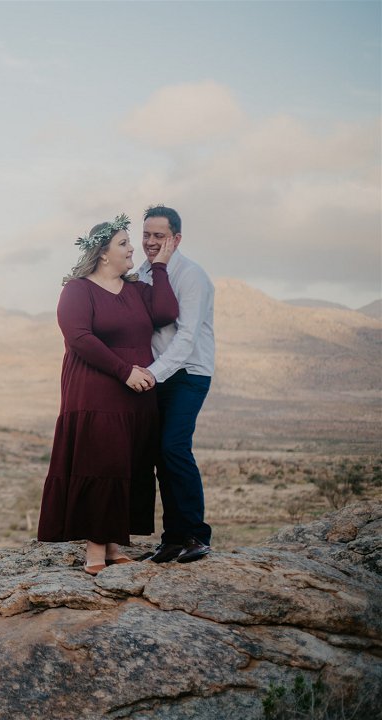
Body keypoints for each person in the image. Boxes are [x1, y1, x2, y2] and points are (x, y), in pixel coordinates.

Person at [37, 214, 178, 575]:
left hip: (137, 396)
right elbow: (79, 338)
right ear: (102, 253)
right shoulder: (78, 290)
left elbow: (166, 312)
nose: (134, 249)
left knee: (127, 465)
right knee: (101, 464)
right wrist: (123, 371)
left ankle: (114, 545)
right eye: (124, 244)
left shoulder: (137, 291)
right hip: (96, 391)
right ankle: (95, 551)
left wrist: (159, 268)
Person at [135, 205, 216, 564]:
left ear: (176, 238)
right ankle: (172, 538)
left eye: (159, 236)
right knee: (157, 454)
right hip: (157, 373)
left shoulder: (193, 276)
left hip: (189, 373)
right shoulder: (142, 273)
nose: (151, 242)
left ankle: (197, 535)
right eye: (147, 235)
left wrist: (153, 373)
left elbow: (186, 338)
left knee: (174, 448)